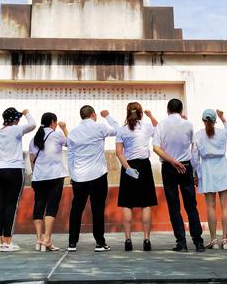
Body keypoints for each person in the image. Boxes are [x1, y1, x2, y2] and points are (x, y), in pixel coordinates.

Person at [152, 98, 205, 253]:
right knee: (191, 206)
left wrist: (172, 161)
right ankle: (198, 242)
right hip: (186, 167)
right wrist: (196, 171)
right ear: (181, 110)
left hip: (169, 167)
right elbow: (193, 148)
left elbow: (156, 148)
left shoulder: (161, 125)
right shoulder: (188, 125)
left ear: (168, 110)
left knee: (174, 206)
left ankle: (181, 243)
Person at [66, 105, 118, 252]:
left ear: (81, 116)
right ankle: (100, 243)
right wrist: (107, 116)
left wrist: (73, 175)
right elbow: (117, 129)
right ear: (93, 114)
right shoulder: (100, 127)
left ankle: (72, 243)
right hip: (98, 175)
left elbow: (70, 156)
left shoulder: (73, 133)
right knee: (98, 209)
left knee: (76, 209)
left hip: (79, 177)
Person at [192, 109, 227, 250]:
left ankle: (214, 240)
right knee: (225, 205)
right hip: (222, 167)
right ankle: (225, 239)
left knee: (210, 206)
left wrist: (196, 174)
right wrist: (223, 117)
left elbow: (194, 158)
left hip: (207, 169)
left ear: (203, 120)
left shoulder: (198, 135)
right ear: (214, 120)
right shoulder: (222, 133)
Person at [0, 107, 37, 252]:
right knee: (11, 205)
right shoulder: (15, 130)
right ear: (15, 119)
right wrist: (27, 113)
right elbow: (33, 124)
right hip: (14, 170)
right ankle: (7, 242)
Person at [115, 102, 158, 252]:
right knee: (146, 204)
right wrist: (151, 115)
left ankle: (128, 240)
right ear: (140, 113)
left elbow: (119, 152)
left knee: (128, 204)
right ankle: (146, 239)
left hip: (128, 166)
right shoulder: (146, 127)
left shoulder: (121, 130)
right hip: (144, 166)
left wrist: (128, 169)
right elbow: (158, 128)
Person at [30, 112, 68, 252]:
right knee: (51, 207)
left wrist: (35, 173)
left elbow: (32, 159)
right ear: (53, 122)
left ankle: (39, 239)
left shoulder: (35, 138)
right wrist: (64, 128)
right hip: (55, 176)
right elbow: (71, 143)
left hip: (38, 177)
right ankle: (47, 240)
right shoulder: (56, 135)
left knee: (39, 206)